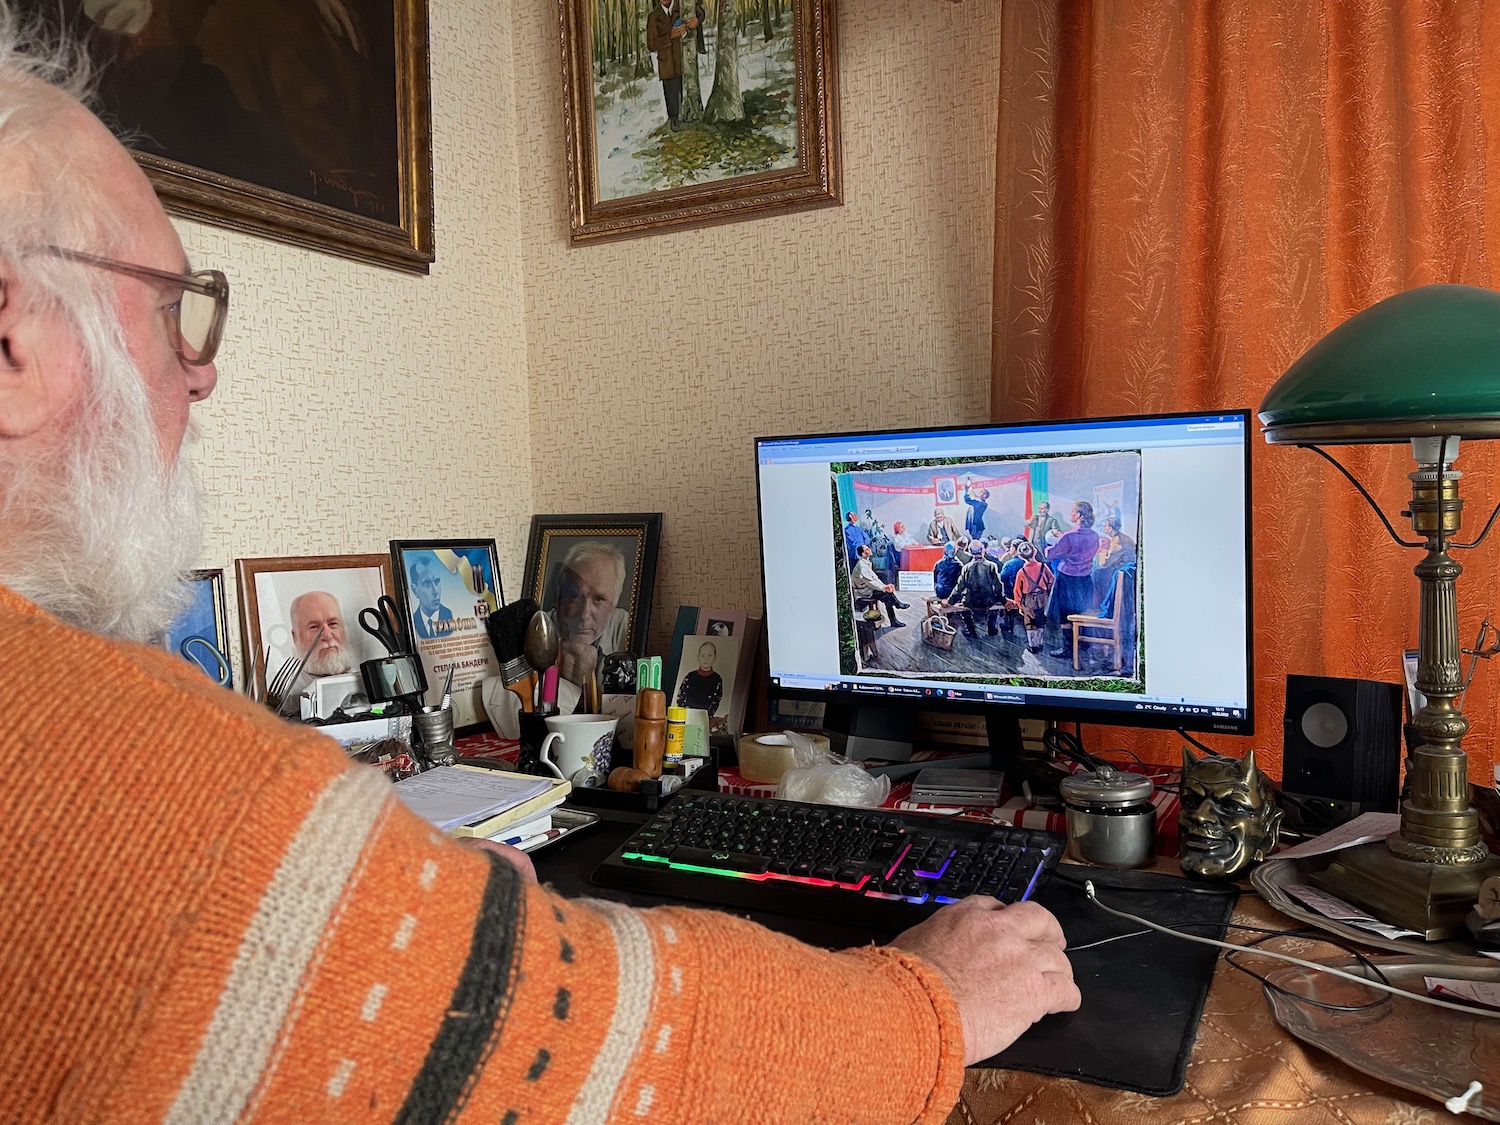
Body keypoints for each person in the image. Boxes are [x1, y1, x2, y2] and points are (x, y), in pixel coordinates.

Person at [0, 15, 1077, 1120]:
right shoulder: (117, 764)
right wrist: (933, 996)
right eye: (174, 307)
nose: (200, 372)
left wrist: (440, 926)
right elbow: (631, 1052)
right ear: (10, 340)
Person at [549, 538, 630, 685]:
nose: (584, 614)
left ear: (614, 603)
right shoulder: (535, 631)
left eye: (599, 599)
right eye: (574, 596)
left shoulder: (630, 629)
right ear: (558, 596)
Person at [1045, 500, 1103, 659]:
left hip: (1067, 579)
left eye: (1072, 511)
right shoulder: (1094, 536)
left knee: (1065, 615)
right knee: (1081, 611)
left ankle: (1068, 648)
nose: (1070, 514)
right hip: (1084, 579)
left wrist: (1052, 543)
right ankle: (1083, 645)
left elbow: (1050, 555)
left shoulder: (1069, 536)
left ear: (1078, 515)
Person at [285, 589, 354, 697]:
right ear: (295, 637)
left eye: (333, 624)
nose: (327, 635)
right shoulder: (289, 696)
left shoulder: (366, 681)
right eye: (314, 627)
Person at [645, 0, 697, 132]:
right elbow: (651, 44)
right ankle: (674, 119)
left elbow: (700, 13)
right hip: (667, 62)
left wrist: (697, 20)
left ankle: (692, 113)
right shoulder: (654, 16)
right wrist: (670, 36)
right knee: (671, 90)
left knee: (685, 86)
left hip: (685, 57)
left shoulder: (683, 5)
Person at [945, 541, 1005, 639]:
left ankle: (971, 630)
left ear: (971, 552)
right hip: (988, 601)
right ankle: (991, 627)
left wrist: (950, 601)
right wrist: (1004, 600)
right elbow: (998, 586)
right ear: (983, 551)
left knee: (964, 605)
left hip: (972, 602)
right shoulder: (991, 566)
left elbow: (959, 588)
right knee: (995, 602)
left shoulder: (966, 567)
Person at [1010, 540, 1055, 654]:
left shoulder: (1021, 572)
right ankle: (1040, 643)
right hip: (1043, 597)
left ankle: (1032, 645)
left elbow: (1017, 590)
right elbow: (1052, 580)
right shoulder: (1043, 567)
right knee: (1041, 621)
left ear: (1020, 556)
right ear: (1035, 551)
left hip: (1028, 600)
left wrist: (1019, 605)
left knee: (1030, 622)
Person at [851, 543, 910, 628]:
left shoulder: (866, 563)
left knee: (887, 593)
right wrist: (884, 588)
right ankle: (896, 610)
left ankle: (895, 613)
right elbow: (870, 582)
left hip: (868, 588)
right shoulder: (862, 566)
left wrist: (885, 586)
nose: (870, 550)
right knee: (887, 595)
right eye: (867, 549)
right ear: (863, 554)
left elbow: (875, 579)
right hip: (863, 591)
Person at [407, 553, 454, 639]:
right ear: (415, 590)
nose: (435, 591)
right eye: (427, 583)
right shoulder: (411, 622)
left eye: (437, 581)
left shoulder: (451, 616)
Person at [674, 640, 724, 715]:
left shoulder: (717, 679)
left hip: (704, 716)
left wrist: (707, 715)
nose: (706, 659)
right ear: (698, 657)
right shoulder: (690, 676)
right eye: (703, 655)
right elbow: (681, 696)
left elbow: (716, 701)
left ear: (715, 657)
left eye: (709, 655)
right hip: (687, 714)